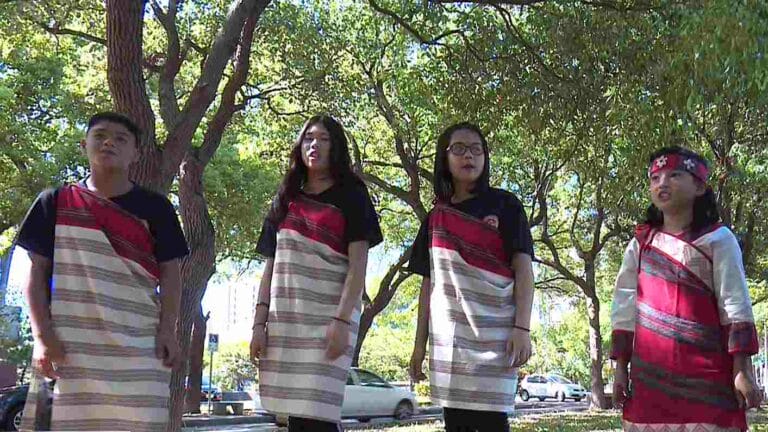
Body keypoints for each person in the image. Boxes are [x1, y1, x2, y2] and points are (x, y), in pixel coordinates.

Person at [18, 112, 189, 431]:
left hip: (141, 348)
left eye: (121, 138)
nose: (109, 142)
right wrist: (42, 338)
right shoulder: (53, 202)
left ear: (135, 154)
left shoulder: (158, 209)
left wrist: (168, 330)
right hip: (68, 348)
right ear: (83, 145)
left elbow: (171, 274)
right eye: (100, 135)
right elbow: (35, 275)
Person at [610, 146, 762, 431]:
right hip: (649, 383)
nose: (662, 183)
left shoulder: (719, 239)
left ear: (700, 186)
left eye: (674, 175)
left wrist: (741, 369)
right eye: (655, 178)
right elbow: (624, 307)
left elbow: (735, 303)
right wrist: (620, 369)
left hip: (709, 382)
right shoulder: (640, 245)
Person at [249, 114, 382, 432]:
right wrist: (258, 324)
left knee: (319, 415)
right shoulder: (286, 197)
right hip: (286, 322)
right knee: (296, 416)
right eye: (309, 138)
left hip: (331, 320)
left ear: (336, 147)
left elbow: (358, 266)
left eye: (324, 139)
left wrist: (341, 321)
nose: (315, 145)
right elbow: (271, 266)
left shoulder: (352, 194)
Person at [407, 122, 535, 432]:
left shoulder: (506, 205)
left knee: (493, 423)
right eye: (459, 149)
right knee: (456, 424)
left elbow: (524, 269)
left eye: (477, 149)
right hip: (450, 341)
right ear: (445, 157)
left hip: (497, 336)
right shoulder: (435, 218)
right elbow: (428, 285)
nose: (469, 156)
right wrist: (419, 346)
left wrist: (522, 328)